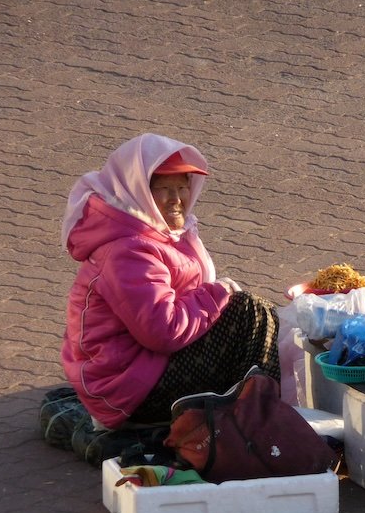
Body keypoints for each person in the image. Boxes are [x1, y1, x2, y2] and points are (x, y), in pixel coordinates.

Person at [60, 133, 280, 430]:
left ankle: (253, 414)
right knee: (250, 313)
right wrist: (218, 295)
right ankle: (259, 422)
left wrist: (218, 299)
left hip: (143, 368)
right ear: (138, 191)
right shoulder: (128, 250)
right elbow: (162, 331)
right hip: (126, 390)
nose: (176, 199)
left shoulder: (157, 232)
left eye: (182, 186)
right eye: (163, 188)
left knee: (251, 317)